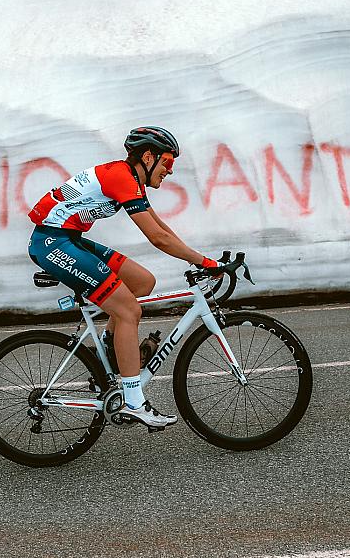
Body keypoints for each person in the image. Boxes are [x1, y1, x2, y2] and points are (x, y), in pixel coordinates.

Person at [27, 126, 218, 429]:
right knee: (129, 310)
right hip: (53, 243)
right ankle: (134, 402)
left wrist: (203, 259)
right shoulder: (121, 177)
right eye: (167, 162)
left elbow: (162, 229)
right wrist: (205, 262)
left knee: (142, 283)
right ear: (147, 156)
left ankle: (108, 352)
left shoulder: (131, 179)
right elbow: (157, 238)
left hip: (68, 238)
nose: (170, 171)